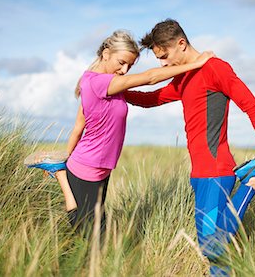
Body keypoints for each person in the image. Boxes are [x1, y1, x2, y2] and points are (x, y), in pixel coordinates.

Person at [123, 19, 255, 276]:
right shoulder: (183, 78)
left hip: (216, 170)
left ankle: (253, 177)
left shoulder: (216, 69)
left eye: (164, 56)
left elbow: (252, 105)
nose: (162, 64)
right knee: (217, 256)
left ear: (181, 44)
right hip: (199, 174)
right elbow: (151, 99)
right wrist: (116, 89)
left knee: (211, 246)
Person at [28, 30, 214, 234]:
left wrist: (65, 155)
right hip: (87, 167)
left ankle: (62, 172)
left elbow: (79, 127)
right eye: (121, 62)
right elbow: (150, 78)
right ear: (106, 54)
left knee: (90, 226)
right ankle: (62, 176)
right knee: (92, 234)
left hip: (101, 169)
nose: (124, 70)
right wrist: (196, 64)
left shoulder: (104, 83)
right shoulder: (98, 82)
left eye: (130, 66)